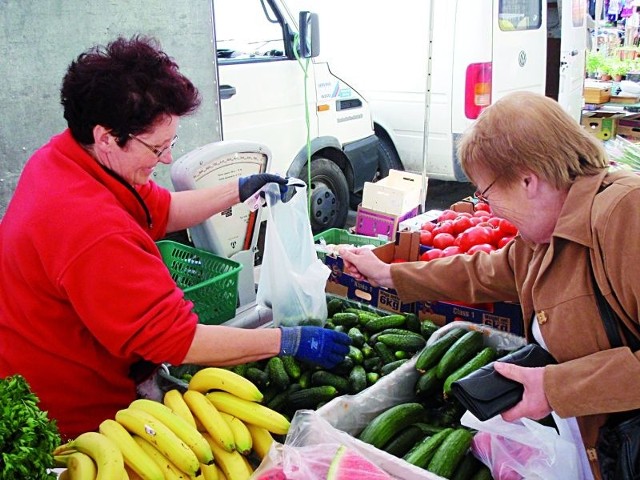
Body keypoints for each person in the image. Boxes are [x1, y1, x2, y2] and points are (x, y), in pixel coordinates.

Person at [0, 35, 350, 440]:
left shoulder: (69, 159)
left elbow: (162, 209)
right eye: (157, 147)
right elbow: (178, 342)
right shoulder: (91, 226)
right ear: (106, 138)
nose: (167, 158)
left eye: (172, 143)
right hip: (72, 410)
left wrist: (241, 187)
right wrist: (289, 340)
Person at [339, 91, 640, 479]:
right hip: (599, 447)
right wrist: (391, 275)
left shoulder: (625, 214)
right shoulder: (544, 235)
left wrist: (556, 388)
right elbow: (482, 271)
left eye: (486, 191)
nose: (488, 206)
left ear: (528, 179)